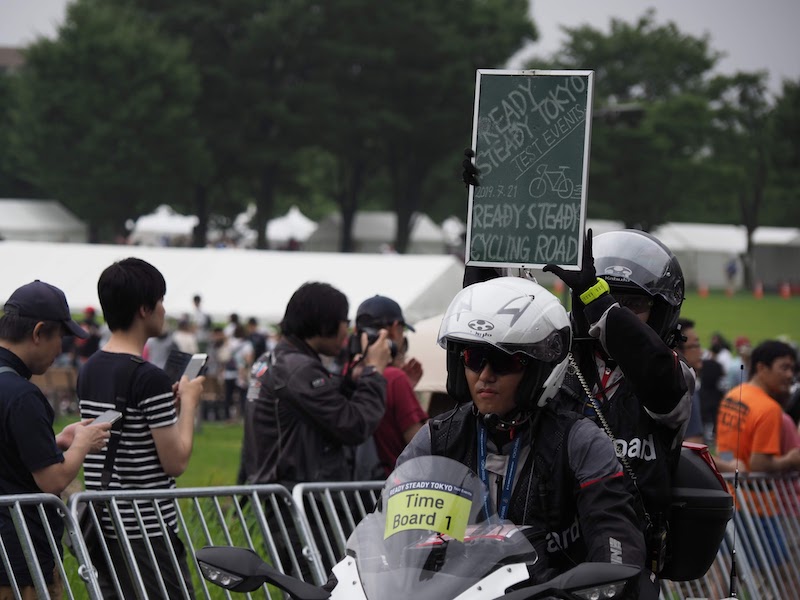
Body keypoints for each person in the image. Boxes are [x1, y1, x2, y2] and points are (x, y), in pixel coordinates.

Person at [397, 277, 647, 589]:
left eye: (504, 361)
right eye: (474, 358)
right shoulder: (437, 438)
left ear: (538, 368)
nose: (485, 376)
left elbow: (614, 540)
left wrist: (606, 586)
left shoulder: (580, 442)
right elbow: (392, 537)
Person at [543, 229, 693, 579]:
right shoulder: (554, 365)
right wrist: (484, 263)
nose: (619, 310)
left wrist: (597, 296)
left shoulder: (676, 377)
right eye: (613, 300)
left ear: (662, 313)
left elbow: (653, 371)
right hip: (550, 551)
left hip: (628, 557)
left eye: (635, 305)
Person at [77, 258, 204, 599]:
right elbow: (175, 461)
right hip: (148, 526)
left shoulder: (90, 369)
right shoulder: (149, 377)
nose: (164, 309)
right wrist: (189, 403)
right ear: (144, 309)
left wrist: (168, 407)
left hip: (104, 522)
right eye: (160, 301)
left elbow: (123, 429)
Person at [0, 280, 111, 598]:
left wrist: (57, 440)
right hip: (20, 563)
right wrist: (82, 444)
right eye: (59, 338)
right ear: (38, 333)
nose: (61, 349)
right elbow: (52, 481)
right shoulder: (23, 396)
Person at [240, 281, 392, 487]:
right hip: (298, 501)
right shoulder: (298, 369)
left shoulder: (277, 358)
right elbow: (353, 426)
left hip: (280, 491)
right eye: (345, 322)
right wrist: (374, 371)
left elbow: (320, 412)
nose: (346, 332)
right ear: (326, 323)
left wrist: (351, 381)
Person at [353, 295, 428, 476]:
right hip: (394, 489)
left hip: (350, 493)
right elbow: (421, 445)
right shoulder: (394, 378)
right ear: (395, 330)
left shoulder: (348, 373)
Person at [716, 340, 800, 473]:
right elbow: (760, 464)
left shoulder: (733, 395)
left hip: (730, 487)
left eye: (792, 369)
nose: (790, 375)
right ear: (761, 368)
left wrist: (732, 466)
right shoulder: (769, 408)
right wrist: (790, 460)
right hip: (757, 492)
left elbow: (724, 448)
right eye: (784, 368)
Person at [675, 318, 704, 445]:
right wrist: (730, 466)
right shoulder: (686, 388)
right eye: (695, 346)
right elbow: (694, 446)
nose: (701, 352)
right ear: (677, 350)